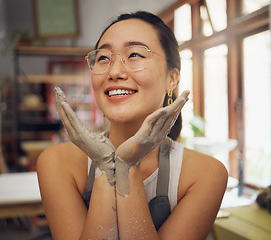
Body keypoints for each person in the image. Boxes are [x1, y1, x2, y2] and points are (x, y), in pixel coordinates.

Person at [37, 11, 228, 240]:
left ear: (172, 78)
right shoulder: (57, 163)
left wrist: (128, 165)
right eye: (104, 58)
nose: (115, 72)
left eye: (135, 54)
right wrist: (106, 166)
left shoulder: (206, 174)